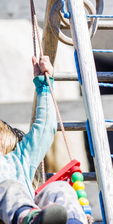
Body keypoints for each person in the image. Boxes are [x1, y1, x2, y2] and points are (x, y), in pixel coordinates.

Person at [0, 56, 88, 224]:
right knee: (7, 188)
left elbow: (45, 129)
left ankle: (73, 220)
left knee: (60, 189)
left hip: (35, 211)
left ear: (4, 142)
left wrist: (45, 86)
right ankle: (29, 218)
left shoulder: (19, 160)